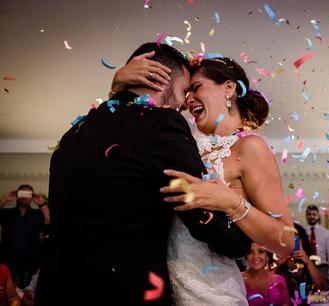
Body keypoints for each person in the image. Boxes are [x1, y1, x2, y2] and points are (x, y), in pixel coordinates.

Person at [34, 43, 252, 306]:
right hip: (122, 293)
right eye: (184, 90)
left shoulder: (73, 133)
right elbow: (201, 214)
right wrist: (240, 240)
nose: (185, 102)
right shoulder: (161, 124)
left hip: (56, 291)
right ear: (157, 77)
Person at [113, 52, 295, 304]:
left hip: (212, 295)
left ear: (229, 88)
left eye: (196, 88)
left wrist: (231, 202)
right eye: (186, 92)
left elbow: (285, 241)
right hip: (161, 291)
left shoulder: (250, 147)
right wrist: (118, 86)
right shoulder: (180, 140)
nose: (188, 100)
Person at [0, 185, 49, 288]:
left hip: (31, 260)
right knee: (9, 291)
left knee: (29, 292)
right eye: (22, 193)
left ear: (32, 197)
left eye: (28, 194)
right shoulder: (6, 213)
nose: (25, 196)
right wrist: (5, 199)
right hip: (8, 258)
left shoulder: (38, 214)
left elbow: (49, 221)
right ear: (18, 195)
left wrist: (42, 204)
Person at [305, 205, 329, 282]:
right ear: (306, 216)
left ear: (318, 216)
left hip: (322, 267)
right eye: (309, 214)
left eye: (314, 214)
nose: (311, 217)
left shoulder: (326, 233)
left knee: (323, 291)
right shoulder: (303, 232)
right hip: (307, 267)